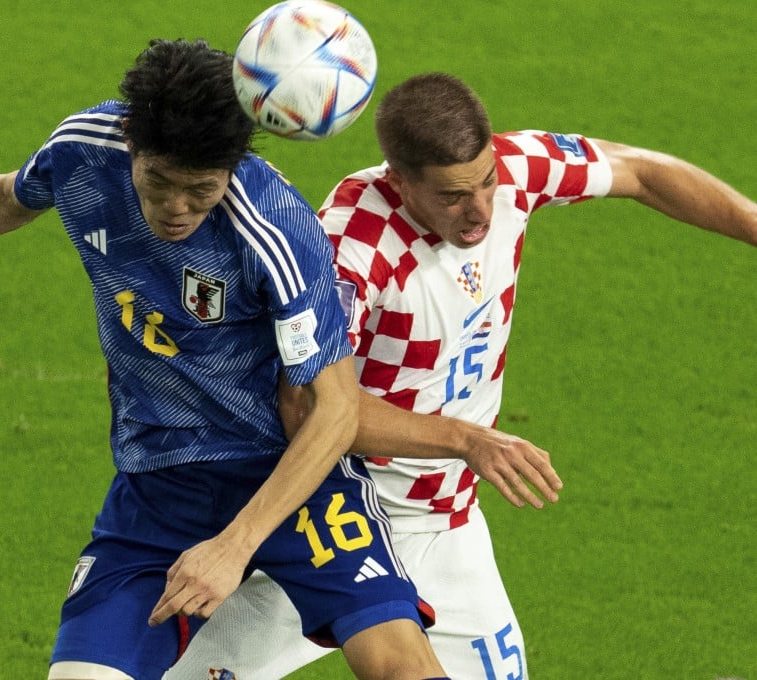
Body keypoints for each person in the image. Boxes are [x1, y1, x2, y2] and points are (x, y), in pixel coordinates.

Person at [0, 40, 460, 680]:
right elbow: (4, 199)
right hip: (158, 485)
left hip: (290, 482)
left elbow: (334, 408)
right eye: (160, 184)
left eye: (202, 191)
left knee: (400, 667)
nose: (178, 208)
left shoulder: (276, 227)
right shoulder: (85, 149)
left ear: (233, 169)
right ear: (131, 145)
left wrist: (234, 546)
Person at [166, 72, 757, 679]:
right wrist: (465, 438)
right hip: (336, 523)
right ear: (398, 181)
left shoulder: (516, 172)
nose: (480, 211)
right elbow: (309, 406)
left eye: (487, 181)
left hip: (447, 523)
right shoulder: (352, 247)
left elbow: (640, 171)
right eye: (451, 196)